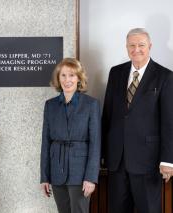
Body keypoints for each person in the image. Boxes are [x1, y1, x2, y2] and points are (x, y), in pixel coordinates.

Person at [102, 28, 173, 213]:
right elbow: (107, 115)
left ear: (150, 46)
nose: (136, 49)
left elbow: (169, 122)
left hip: (148, 161)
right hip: (117, 161)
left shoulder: (165, 76)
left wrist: (168, 160)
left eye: (141, 45)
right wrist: (102, 154)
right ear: (126, 47)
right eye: (132, 45)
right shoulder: (115, 73)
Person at [40, 58, 101, 213]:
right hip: (56, 171)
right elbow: (45, 143)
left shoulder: (91, 104)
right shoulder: (50, 105)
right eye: (63, 75)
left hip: (80, 173)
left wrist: (91, 177)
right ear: (58, 79)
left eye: (72, 75)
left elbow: (95, 143)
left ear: (79, 78)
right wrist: (44, 177)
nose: (68, 80)